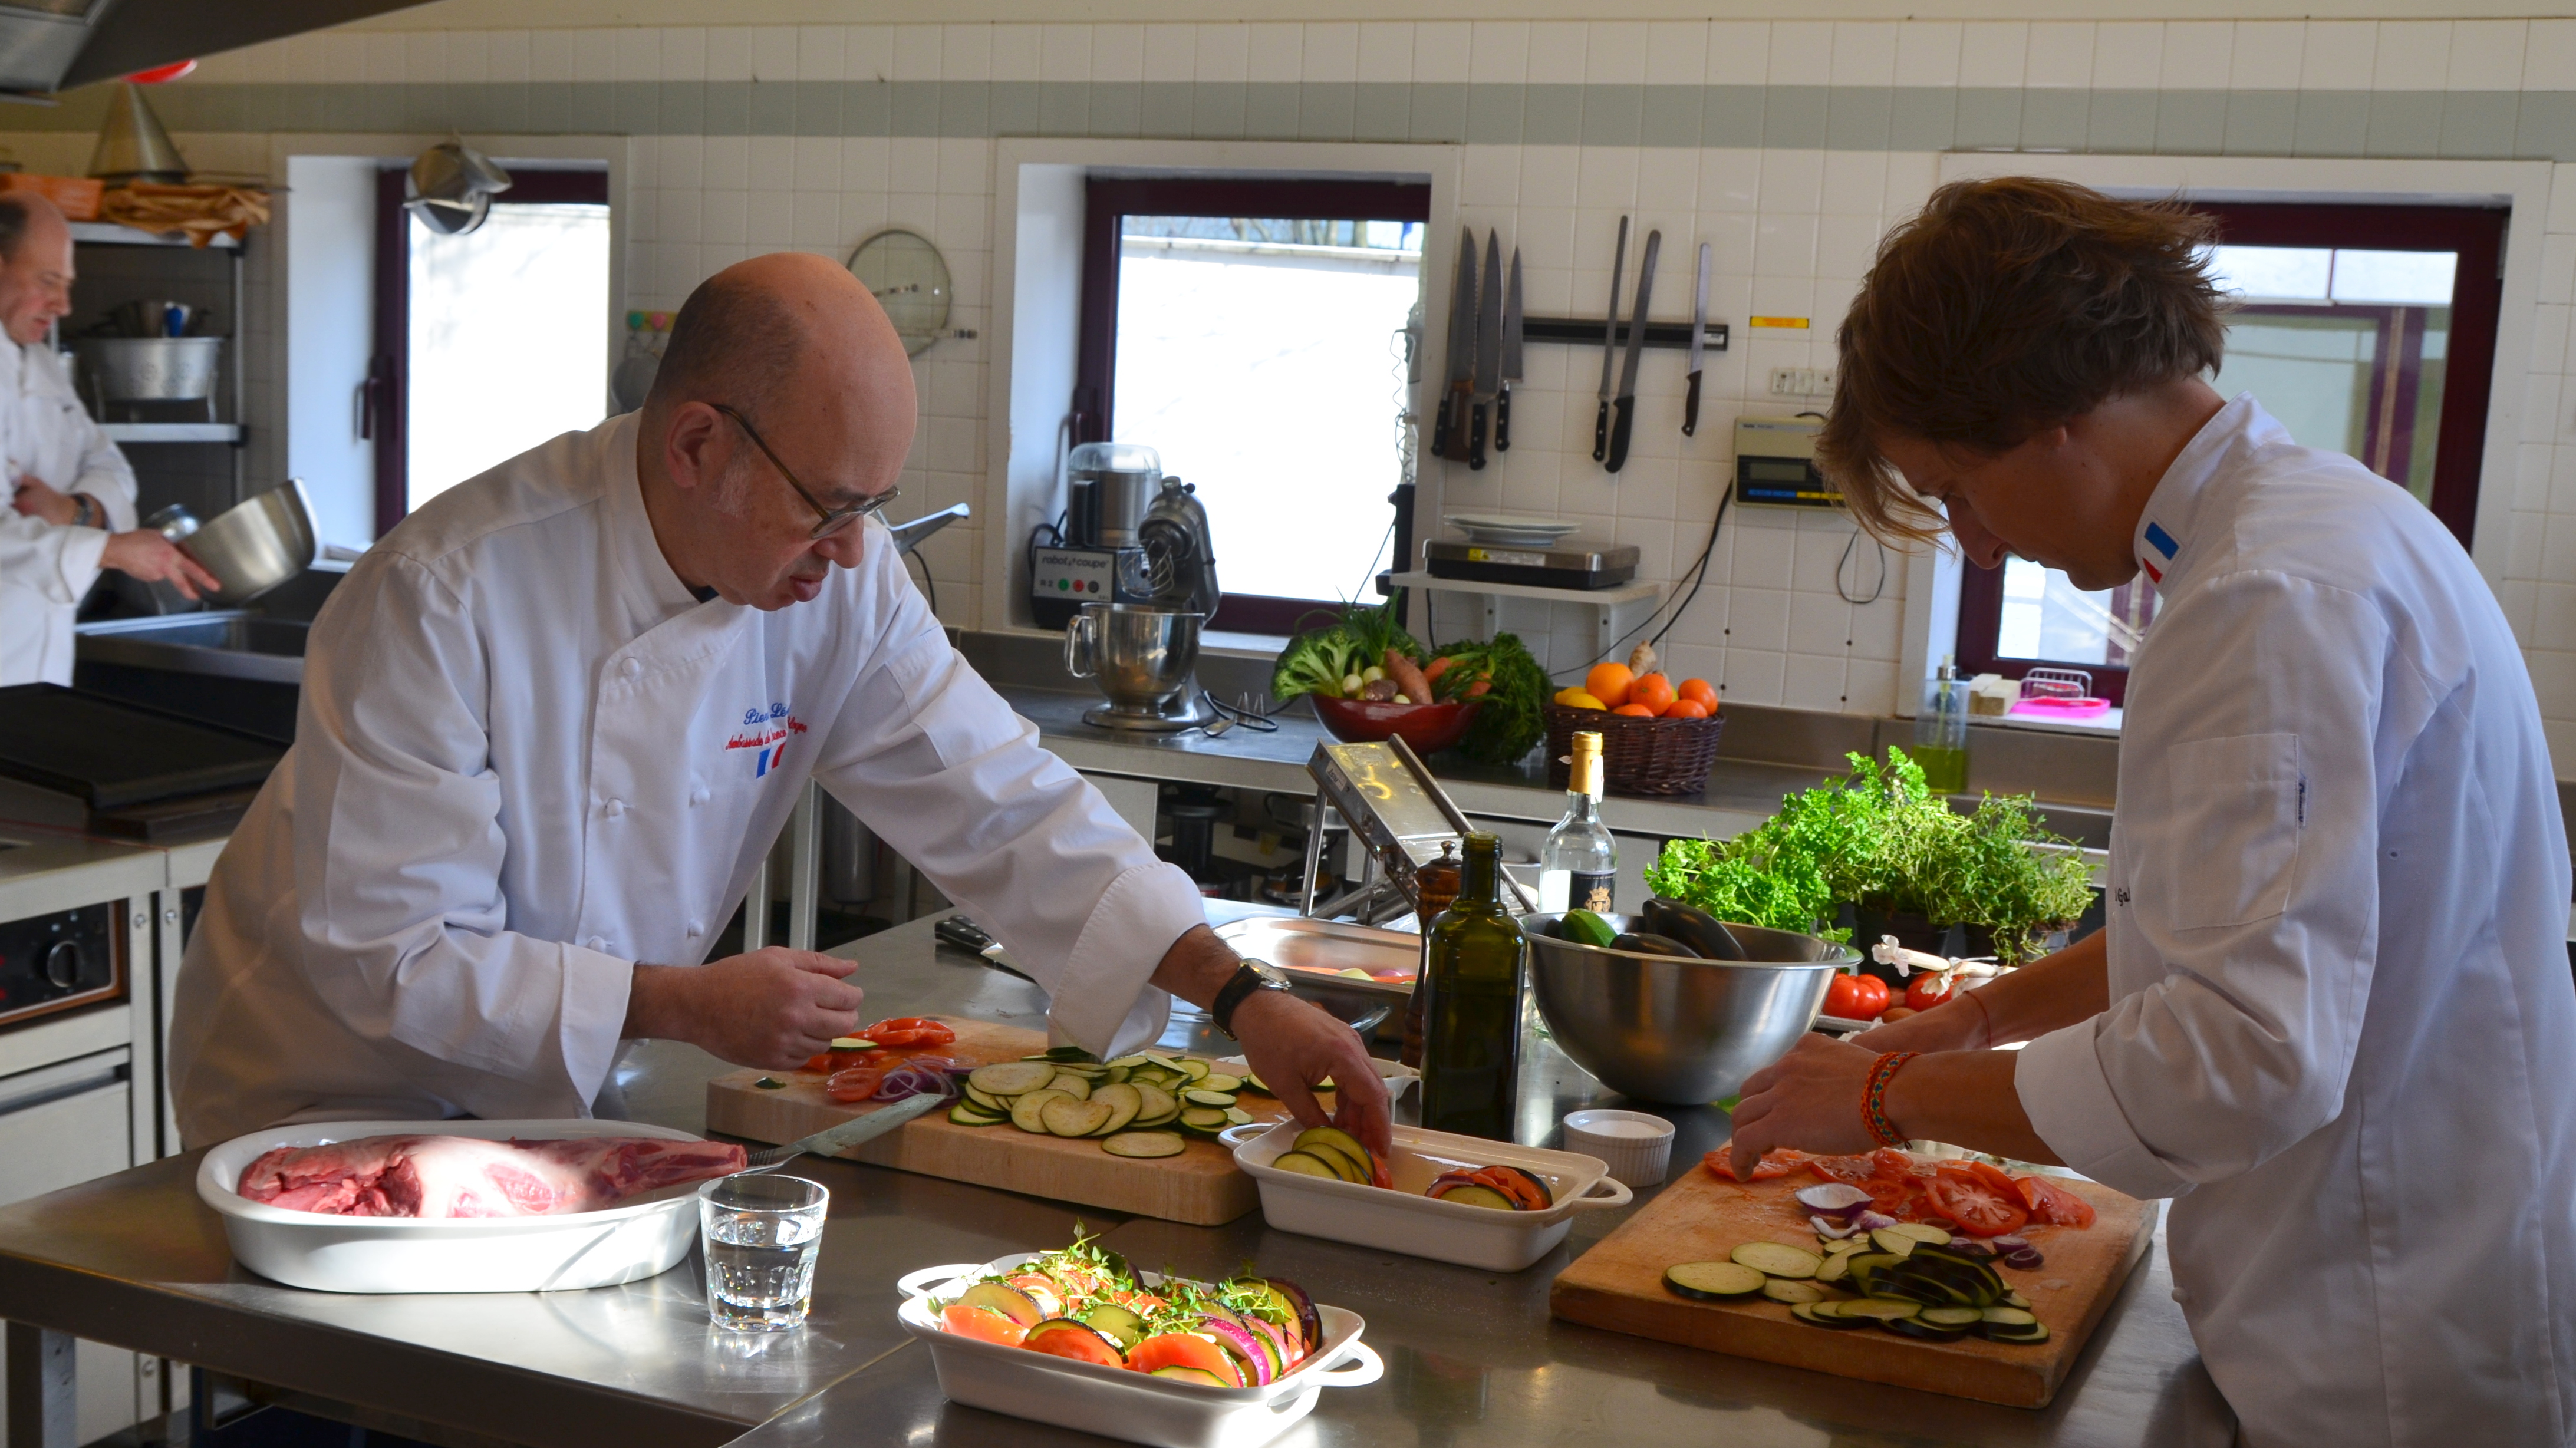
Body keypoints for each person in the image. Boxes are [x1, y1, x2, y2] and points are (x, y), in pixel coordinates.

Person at [169, 252, 1389, 1157]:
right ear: (696, 445)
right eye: (830, 503)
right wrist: (679, 1003)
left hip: (554, 1113)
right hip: (331, 1111)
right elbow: (397, 960)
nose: (854, 551)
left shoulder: (832, 590)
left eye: (875, 504)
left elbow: (1011, 806)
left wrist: (1246, 997)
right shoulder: (444, 592)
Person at [1727, 178, 2576, 1446]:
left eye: (1956, 484)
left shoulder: (2266, 595)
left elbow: (2238, 1056)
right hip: (2387, 1293)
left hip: (2374, 1352)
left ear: (2054, 418)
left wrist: (1884, 1099)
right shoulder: (2314, 523)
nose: (1974, 542)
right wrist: (1977, 1016)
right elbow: (2251, 931)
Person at [0, 191, 213, 684]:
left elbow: (111, 464)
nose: (64, 305)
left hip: (38, 666)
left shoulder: (40, 363)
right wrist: (112, 549)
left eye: (67, 284)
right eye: (47, 281)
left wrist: (74, 512)